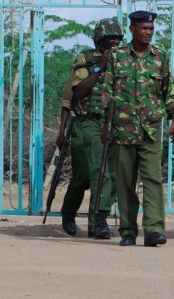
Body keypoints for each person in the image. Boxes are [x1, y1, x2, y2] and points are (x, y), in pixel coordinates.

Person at [100, 10, 174, 247]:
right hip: (122, 130)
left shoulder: (160, 57)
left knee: (152, 180)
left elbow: (170, 92)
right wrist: (105, 125)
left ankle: (154, 229)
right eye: (144, 29)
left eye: (151, 29)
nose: (148, 33)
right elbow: (108, 93)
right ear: (133, 30)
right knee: (125, 183)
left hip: (151, 130)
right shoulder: (117, 57)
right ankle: (127, 230)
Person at [55, 18, 123, 239]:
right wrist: (100, 67)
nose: (114, 42)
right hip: (87, 123)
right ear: (99, 40)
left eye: (117, 38)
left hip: (113, 124)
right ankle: (69, 213)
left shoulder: (124, 61)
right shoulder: (86, 60)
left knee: (107, 174)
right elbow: (76, 94)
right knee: (85, 177)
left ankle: (97, 222)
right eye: (109, 38)